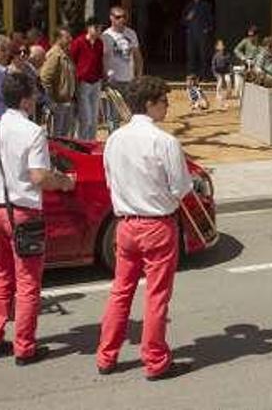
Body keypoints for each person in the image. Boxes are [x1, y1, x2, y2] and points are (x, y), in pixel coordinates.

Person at [0, 72, 75, 365]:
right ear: (27, 99)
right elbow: (39, 176)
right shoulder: (32, 131)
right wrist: (64, 181)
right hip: (22, 211)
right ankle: (24, 346)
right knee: (27, 281)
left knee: (1, 275)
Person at [96, 76, 194, 381]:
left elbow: (110, 181)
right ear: (150, 104)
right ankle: (155, 359)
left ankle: (106, 355)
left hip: (125, 224)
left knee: (120, 291)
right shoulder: (165, 141)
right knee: (156, 295)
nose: (167, 105)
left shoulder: (114, 139)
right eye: (164, 100)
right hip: (157, 224)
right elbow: (181, 187)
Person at [39, 26, 77, 137]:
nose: (70, 39)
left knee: (65, 138)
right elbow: (45, 78)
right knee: (57, 138)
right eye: (67, 37)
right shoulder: (55, 55)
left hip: (67, 103)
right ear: (58, 39)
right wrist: (51, 101)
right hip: (58, 104)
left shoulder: (65, 54)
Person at [70, 18, 104, 140]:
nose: (99, 30)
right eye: (96, 28)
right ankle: (82, 142)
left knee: (94, 118)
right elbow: (72, 61)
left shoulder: (100, 43)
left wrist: (102, 77)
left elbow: (100, 62)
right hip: (83, 82)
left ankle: (91, 142)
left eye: (100, 28)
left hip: (96, 81)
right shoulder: (78, 42)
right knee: (86, 117)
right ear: (88, 28)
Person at [103, 6, 142, 101]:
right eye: (118, 17)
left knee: (128, 109)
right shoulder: (105, 36)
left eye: (124, 17)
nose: (121, 19)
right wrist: (104, 76)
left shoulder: (131, 33)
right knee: (114, 111)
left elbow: (137, 56)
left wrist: (138, 76)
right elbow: (102, 57)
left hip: (129, 78)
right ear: (111, 18)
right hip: (113, 79)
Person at [182, 0, 214, 80]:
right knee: (191, 56)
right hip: (191, 35)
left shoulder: (205, 5)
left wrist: (207, 29)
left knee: (203, 55)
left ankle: (204, 76)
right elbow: (183, 21)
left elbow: (211, 19)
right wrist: (187, 18)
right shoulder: (188, 6)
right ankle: (191, 75)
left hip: (202, 35)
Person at [211, 39, 232, 109]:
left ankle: (228, 94)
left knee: (228, 80)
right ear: (216, 47)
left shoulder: (227, 55)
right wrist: (215, 73)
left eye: (222, 45)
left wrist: (230, 71)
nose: (221, 46)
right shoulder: (215, 56)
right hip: (218, 72)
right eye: (219, 45)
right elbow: (213, 65)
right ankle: (218, 94)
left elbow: (229, 64)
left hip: (226, 72)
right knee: (220, 82)